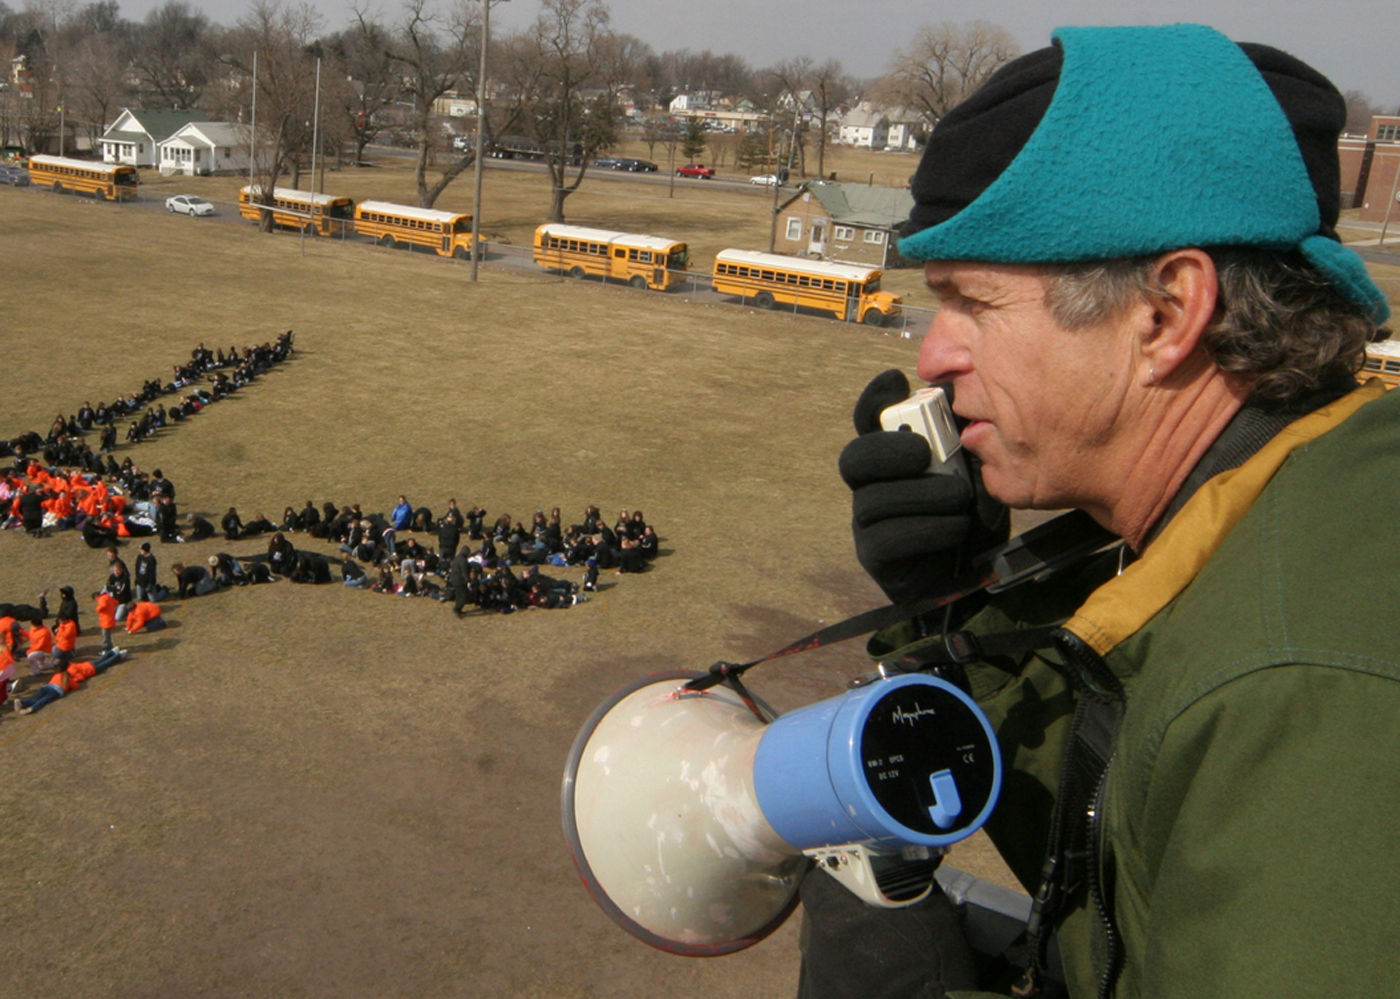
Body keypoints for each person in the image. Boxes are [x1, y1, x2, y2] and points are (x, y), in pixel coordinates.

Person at [804, 24, 1398, 999]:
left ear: (1162, 316)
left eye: (970, 302)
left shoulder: (1302, 693)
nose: (932, 357)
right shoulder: (1262, 529)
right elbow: (1142, 874)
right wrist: (960, 610)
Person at [13, 648, 127, 715]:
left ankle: (24, 702)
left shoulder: (60, 674)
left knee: (39, 697)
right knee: (102, 661)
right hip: (88, 666)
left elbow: (78, 680)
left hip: (49, 686)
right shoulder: (69, 670)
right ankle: (114, 652)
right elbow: (76, 684)